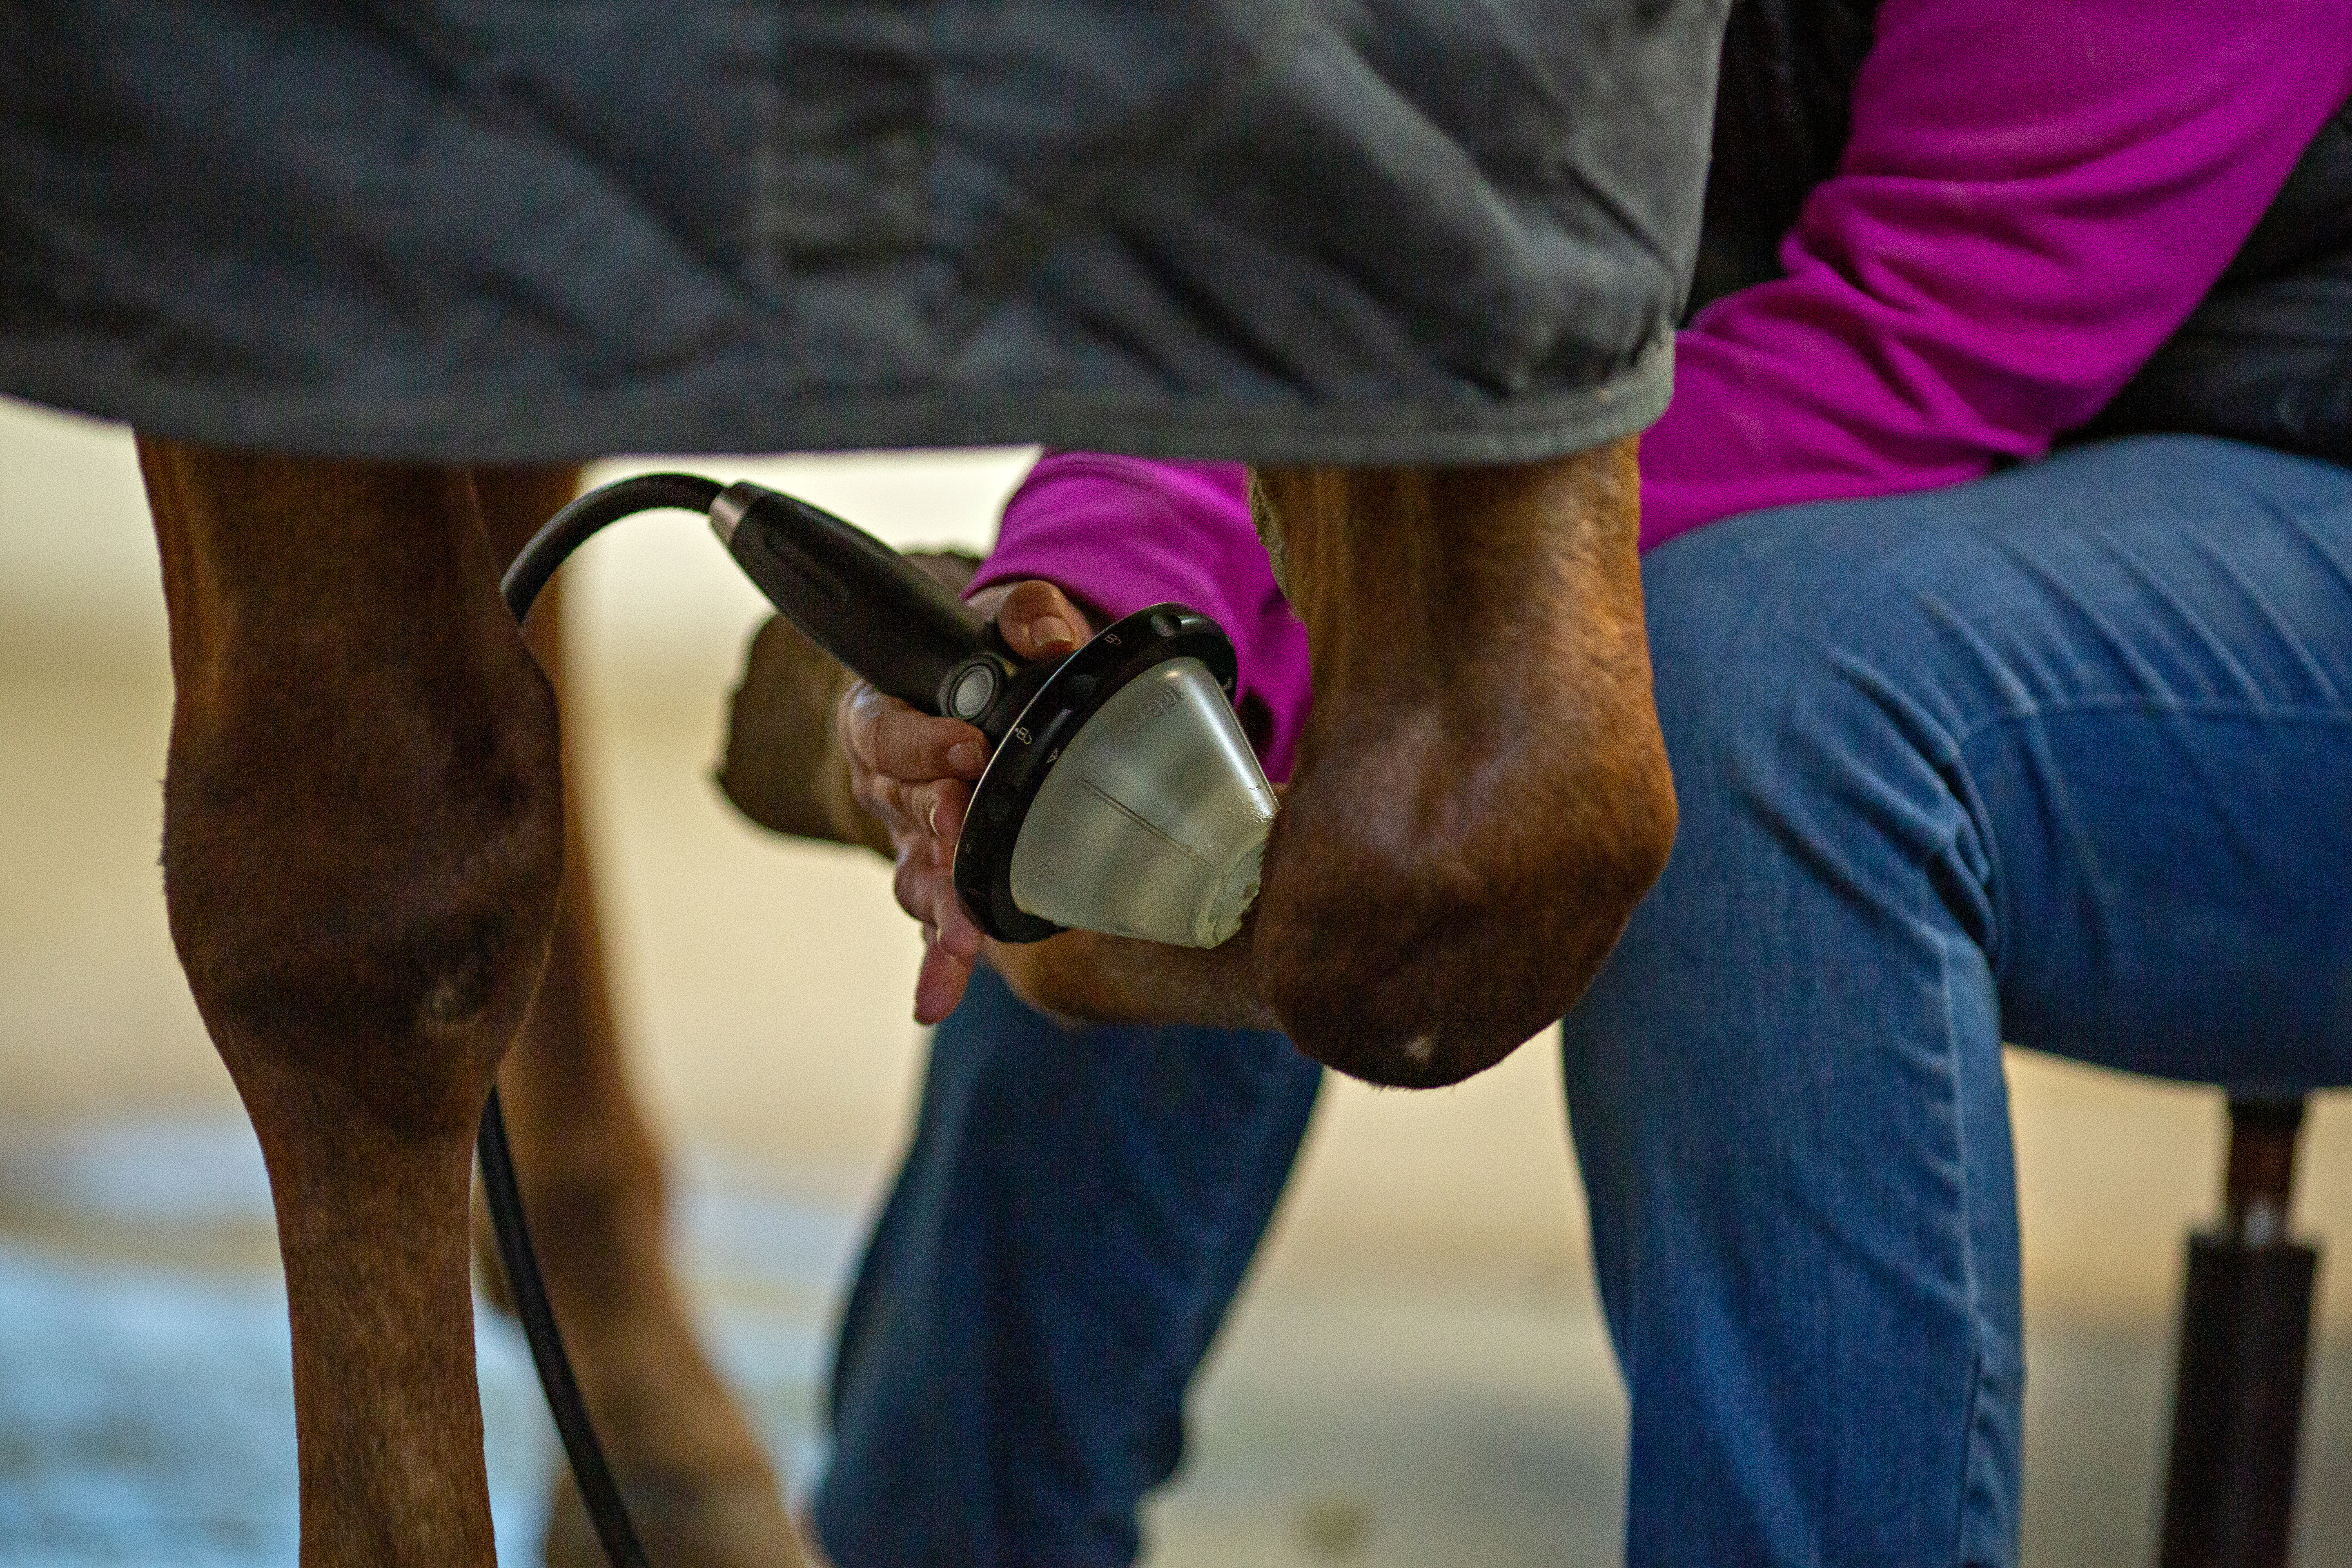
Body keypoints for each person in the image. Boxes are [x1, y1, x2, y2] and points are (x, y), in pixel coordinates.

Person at [721, 2, 2352, 1561]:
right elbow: (1315, 227)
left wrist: (1287, 616)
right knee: (1130, 728)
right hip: (2014, 453)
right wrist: (1090, 613)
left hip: (2279, 482)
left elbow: (1919, 342)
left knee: (1756, 694)